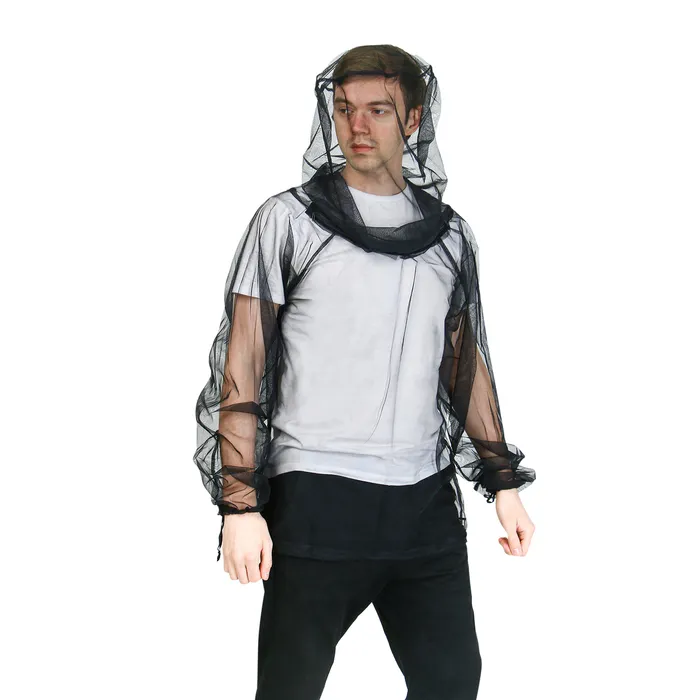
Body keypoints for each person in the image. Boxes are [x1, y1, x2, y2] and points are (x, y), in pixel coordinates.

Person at [194, 44, 536, 700]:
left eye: (378, 109)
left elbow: (464, 365)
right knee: (290, 689)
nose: (357, 125)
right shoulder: (287, 222)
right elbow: (243, 366)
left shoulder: (450, 236)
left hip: (423, 507)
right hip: (317, 501)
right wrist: (239, 506)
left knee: (451, 682)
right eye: (345, 108)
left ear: (413, 120)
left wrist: (504, 485)